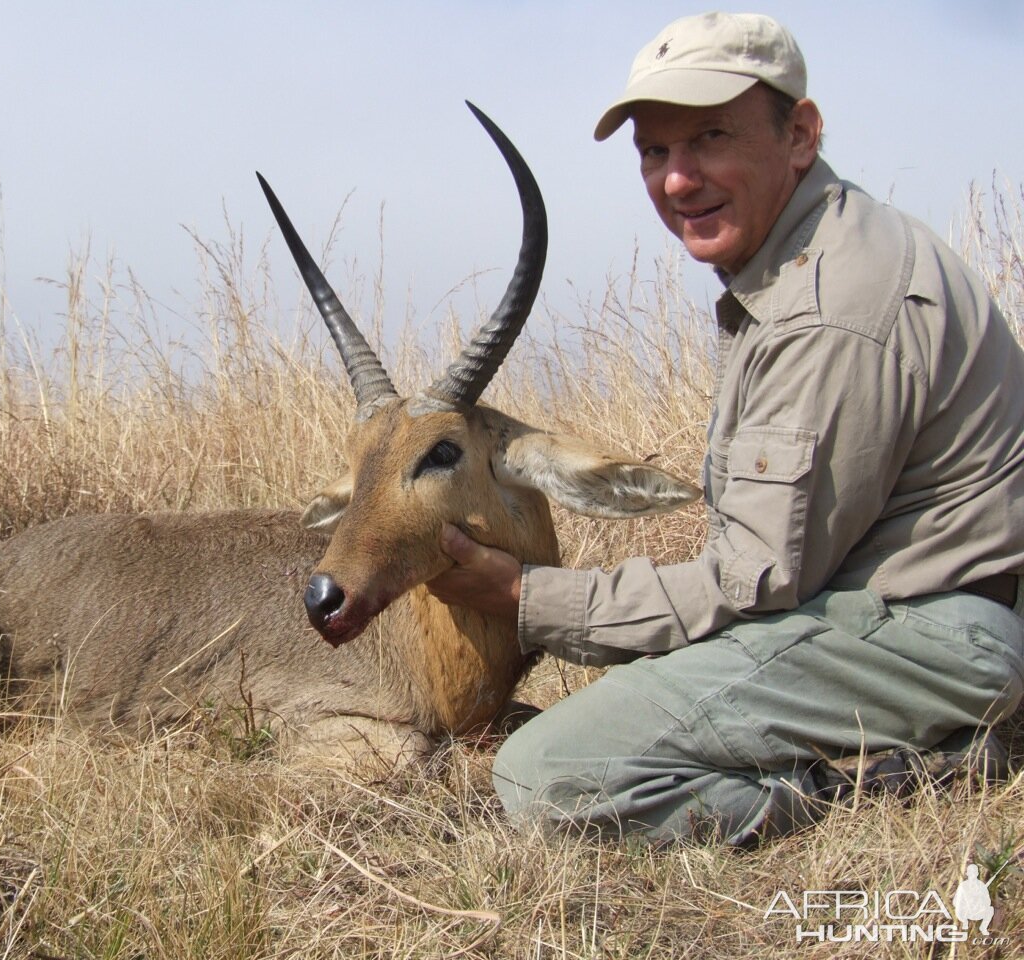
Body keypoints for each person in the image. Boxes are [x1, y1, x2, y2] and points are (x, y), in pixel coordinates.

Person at [428, 11, 1024, 845]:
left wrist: (528, 599)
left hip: (930, 635)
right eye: (655, 152)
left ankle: (882, 774)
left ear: (801, 134)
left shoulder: (829, 309)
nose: (677, 180)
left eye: (710, 137)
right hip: (895, 608)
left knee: (547, 772)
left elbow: (757, 582)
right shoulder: (812, 251)